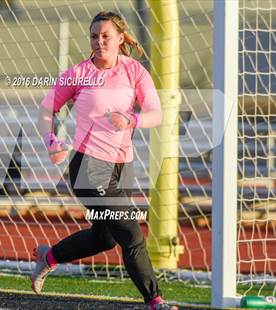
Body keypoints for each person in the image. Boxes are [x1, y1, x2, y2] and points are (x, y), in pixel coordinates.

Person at [33, 11, 176, 310]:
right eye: (94, 36)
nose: (99, 42)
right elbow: (47, 110)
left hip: (122, 168)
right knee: (132, 234)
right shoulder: (78, 73)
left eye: (106, 36)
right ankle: (155, 300)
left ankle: (49, 257)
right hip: (88, 168)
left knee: (105, 239)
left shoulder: (135, 71)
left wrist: (131, 119)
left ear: (120, 38)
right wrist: (51, 141)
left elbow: (156, 114)